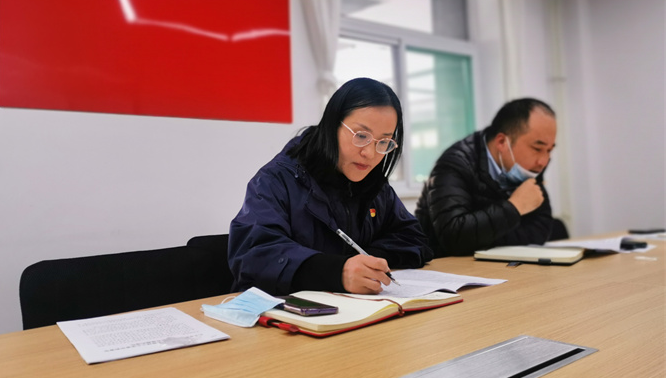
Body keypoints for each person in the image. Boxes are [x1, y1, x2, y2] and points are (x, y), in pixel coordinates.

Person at [228, 78, 433, 296]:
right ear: (332, 125)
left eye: (383, 142)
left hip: (358, 308)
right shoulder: (277, 180)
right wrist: (336, 272)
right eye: (361, 136)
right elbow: (253, 257)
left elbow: (413, 238)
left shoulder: (375, 185)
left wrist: (368, 261)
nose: (370, 153)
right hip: (279, 310)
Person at [415, 98, 567, 257]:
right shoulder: (455, 163)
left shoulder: (531, 166)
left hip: (496, 263)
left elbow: (540, 230)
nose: (543, 161)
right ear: (502, 142)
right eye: (537, 148)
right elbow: (454, 237)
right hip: (441, 265)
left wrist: (485, 238)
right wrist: (515, 207)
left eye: (549, 150)